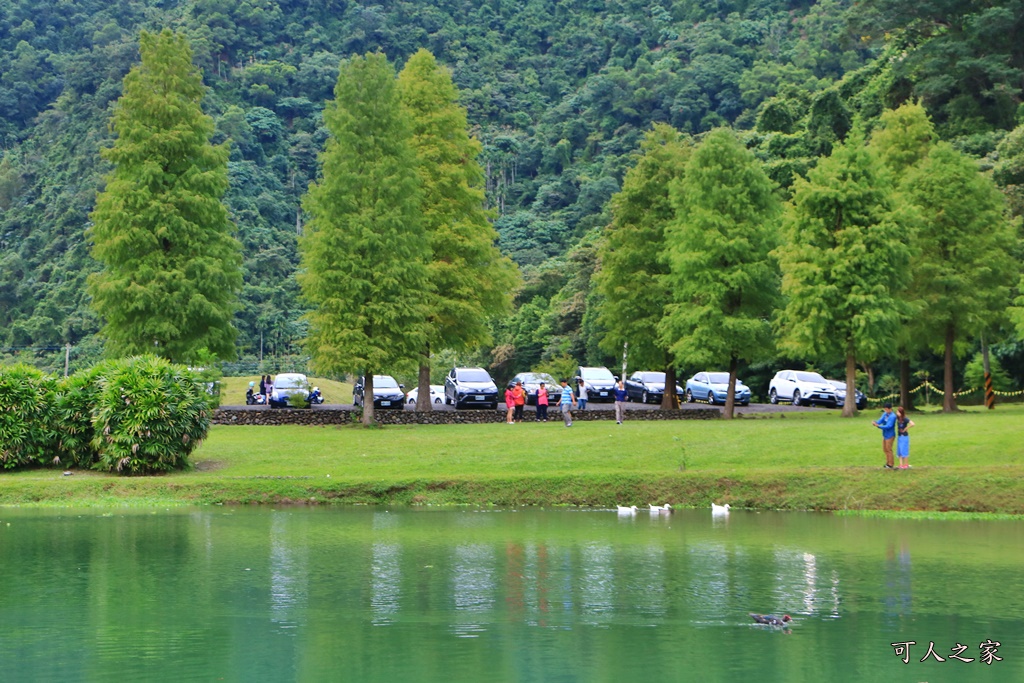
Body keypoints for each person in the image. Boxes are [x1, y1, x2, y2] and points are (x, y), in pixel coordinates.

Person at [872, 401, 897, 469]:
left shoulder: (893, 416)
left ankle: (891, 464)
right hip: (885, 434)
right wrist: (875, 422)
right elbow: (881, 420)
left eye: (886, 409)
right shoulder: (885, 414)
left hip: (890, 435)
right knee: (885, 449)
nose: (885, 411)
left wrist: (879, 426)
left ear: (890, 409)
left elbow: (889, 426)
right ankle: (887, 463)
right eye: (885, 409)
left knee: (889, 449)